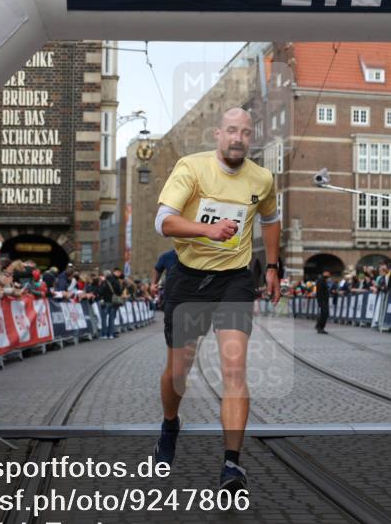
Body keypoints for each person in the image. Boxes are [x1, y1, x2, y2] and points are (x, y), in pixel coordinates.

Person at [152, 107, 281, 493]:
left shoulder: (262, 178)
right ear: (217, 134)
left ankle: (231, 465)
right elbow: (163, 221)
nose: (237, 137)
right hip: (189, 278)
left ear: (250, 137)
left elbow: (271, 220)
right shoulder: (191, 168)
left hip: (235, 281)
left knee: (234, 368)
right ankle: (170, 424)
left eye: (245, 131)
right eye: (231, 131)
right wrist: (207, 230)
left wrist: (272, 266)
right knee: (178, 372)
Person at [99, 268, 124, 339]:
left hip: (106, 301)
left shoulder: (104, 282)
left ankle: (104, 334)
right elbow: (119, 291)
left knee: (104, 318)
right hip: (114, 302)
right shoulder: (116, 281)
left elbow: (100, 291)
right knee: (112, 318)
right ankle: (110, 334)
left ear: (105, 275)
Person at [315, 269, 331, 334]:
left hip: (324, 300)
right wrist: (321, 301)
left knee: (324, 314)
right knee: (325, 313)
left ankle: (319, 326)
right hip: (323, 300)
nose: (329, 275)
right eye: (328, 273)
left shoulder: (323, 280)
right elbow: (320, 292)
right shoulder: (320, 280)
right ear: (324, 273)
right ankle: (320, 327)